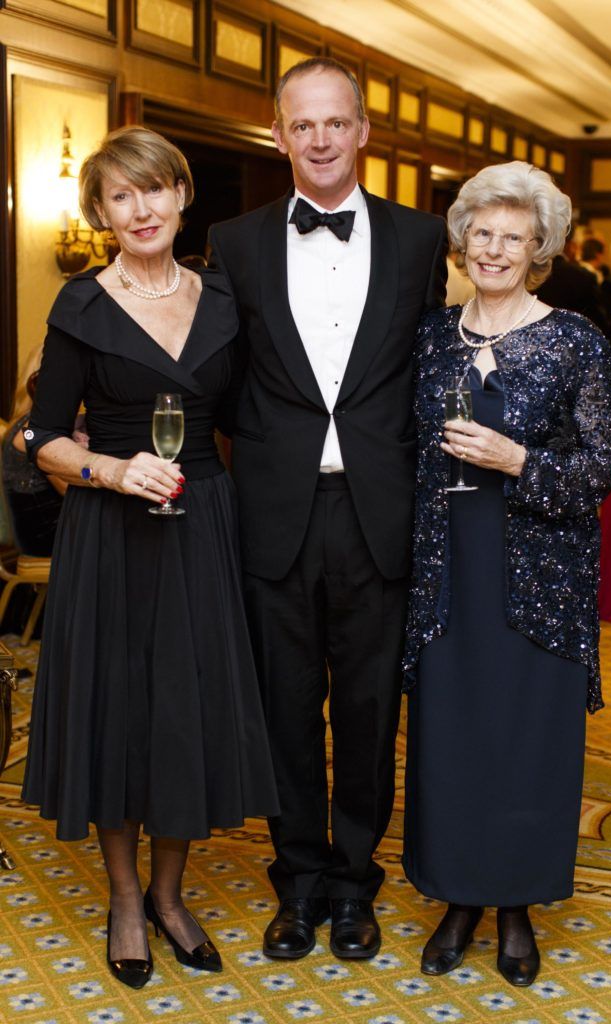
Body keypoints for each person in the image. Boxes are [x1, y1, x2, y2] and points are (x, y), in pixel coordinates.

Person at [21, 126, 278, 989]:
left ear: (180, 196)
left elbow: (255, 418)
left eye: (155, 189)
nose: (141, 208)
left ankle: (172, 895)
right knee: (120, 709)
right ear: (100, 212)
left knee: (188, 709)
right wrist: (108, 468)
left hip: (203, 522)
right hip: (111, 530)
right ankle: (126, 896)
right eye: (120, 196)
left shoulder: (220, 299)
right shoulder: (80, 306)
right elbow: (38, 437)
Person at [207, 57, 446, 961]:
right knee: (284, 711)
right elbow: (223, 380)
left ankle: (355, 888)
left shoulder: (422, 240)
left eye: (334, 123)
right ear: (279, 134)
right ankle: (296, 886)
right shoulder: (233, 242)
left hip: (380, 512)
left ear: (362, 132)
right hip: (275, 509)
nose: (318, 140)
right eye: (301, 125)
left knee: (367, 710)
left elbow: (431, 372)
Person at [403, 161, 611, 987]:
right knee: (450, 739)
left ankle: (516, 904)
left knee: (528, 742)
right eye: (480, 234)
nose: (493, 249)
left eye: (512, 238)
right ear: (461, 242)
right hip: (443, 569)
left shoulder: (571, 339)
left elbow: (599, 468)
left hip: (540, 575)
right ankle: (457, 896)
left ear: (539, 250)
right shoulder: (429, 334)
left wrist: (518, 458)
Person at [2, 345, 65, 556]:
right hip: (45, 540)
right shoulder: (33, 431)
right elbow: (70, 489)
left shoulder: (26, 425)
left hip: (43, 533)